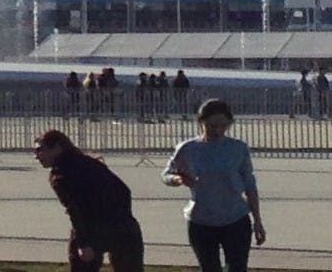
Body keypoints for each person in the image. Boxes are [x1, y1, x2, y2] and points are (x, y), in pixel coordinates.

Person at [163, 99, 264, 272]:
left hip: (235, 219)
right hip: (201, 221)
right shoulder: (188, 148)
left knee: (237, 268)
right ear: (201, 123)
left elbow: (250, 185)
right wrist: (177, 180)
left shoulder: (238, 148)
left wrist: (258, 221)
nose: (217, 130)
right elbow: (166, 174)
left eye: (222, 125)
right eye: (211, 126)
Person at [35, 129, 144, 272]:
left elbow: (75, 210)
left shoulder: (60, 176)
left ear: (56, 148)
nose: (36, 156)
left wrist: (83, 243)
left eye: (40, 150)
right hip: (124, 226)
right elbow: (124, 191)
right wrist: (121, 217)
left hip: (92, 230)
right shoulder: (90, 163)